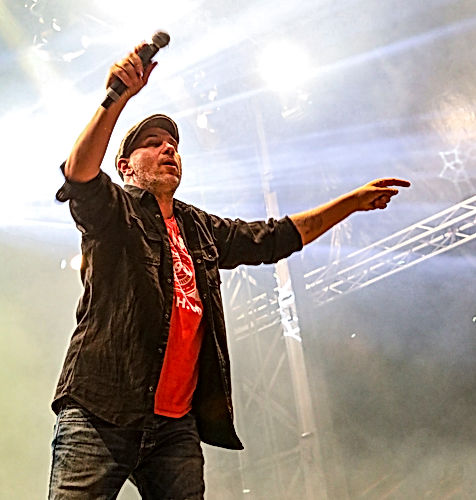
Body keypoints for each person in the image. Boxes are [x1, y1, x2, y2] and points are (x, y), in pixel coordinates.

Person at [49, 43, 410, 499]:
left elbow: (274, 237)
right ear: (126, 167)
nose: (168, 148)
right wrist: (117, 96)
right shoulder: (116, 210)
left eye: (173, 145)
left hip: (174, 425)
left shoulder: (199, 227)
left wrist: (351, 203)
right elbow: (79, 174)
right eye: (153, 143)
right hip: (102, 407)